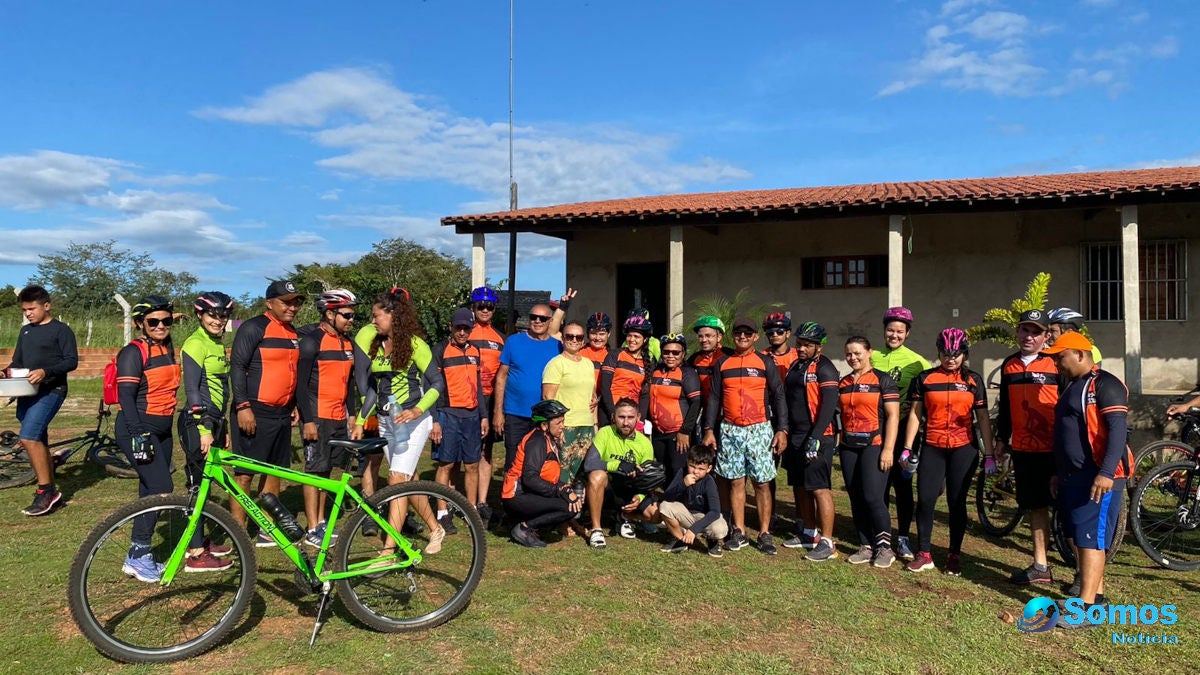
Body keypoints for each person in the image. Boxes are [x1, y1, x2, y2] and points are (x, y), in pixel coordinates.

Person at [1043, 332, 1132, 619]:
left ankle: (1087, 607)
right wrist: (1059, 472)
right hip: (1073, 476)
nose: (1057, 362)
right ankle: (1097, 594)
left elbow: (1118, 431)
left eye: (1061, 356)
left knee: (1092, 539)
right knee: (1079, 536)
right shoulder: (1073, 385)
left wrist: (1106, 473)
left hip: (1099, 478)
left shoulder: (1106, 385)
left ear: (1080, 353)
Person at [353, 287, 445, 554]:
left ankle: (388, 550)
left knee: (396, 479)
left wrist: (418, 411)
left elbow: (437, 383)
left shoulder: (417, 345)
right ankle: (435, 528)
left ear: (393, 315)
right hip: (386, 421)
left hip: (411, 421)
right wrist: (361, 420)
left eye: (376, 315)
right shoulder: (377, 345)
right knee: (407, 480)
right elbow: (373, 389)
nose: (372, 321)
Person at [902, 328, 993, 575]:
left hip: (964, 448)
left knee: (956, 502)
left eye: (956, 353)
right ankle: (924, 553)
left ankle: (954, 554)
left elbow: (983, 418)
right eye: (945, 353)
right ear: (939, 352)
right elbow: (915, 415)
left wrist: (991, 453)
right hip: (933, 446)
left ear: (964, 353)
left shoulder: (973, 380)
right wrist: (907, 448)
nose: (951, 358)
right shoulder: (925, 378)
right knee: (926, 500)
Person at [701, 317, 788, 555]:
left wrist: (782, 429)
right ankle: (738, 531)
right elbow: (714, 398)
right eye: (738, 333)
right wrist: (709, 429)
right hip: (730, 429)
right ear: (732, 336)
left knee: (761, 483)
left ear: (755, 337)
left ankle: (764, 532)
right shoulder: (723, 363)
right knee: (736, 481)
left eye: (747, 333)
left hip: (759, 428)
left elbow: (779, 395)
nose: (742, 337)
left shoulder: (764, 362)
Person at [230, 280, 302, 545]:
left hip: (281, 413)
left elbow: (290, 371)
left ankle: (266, 528)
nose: (292, 307)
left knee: (275, 470)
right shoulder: (253, 327)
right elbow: (237, 367)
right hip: (254, 411)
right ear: (269, 303)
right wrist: (242, 406)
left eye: (295, 302)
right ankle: (238, 529)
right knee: (245, 473)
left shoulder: (292, 332)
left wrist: (293, 404)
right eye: (286, 302)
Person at [115, 296, 181, 582]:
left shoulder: (168, 348)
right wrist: (138, 432)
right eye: (153, 321)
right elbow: (126, 397)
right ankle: (139, 554)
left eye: (166, 320)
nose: (160, 325)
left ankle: (137, 554)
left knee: (149, 486)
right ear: (140, 323)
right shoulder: (133, 352)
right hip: (138, 427)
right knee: (161, 485)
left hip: (163, 429)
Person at [995, 309, 1063, 585]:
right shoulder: (1009, 365)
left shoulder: (1055, 363)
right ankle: (1040, 565)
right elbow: (1005, 409)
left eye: (1036, 332)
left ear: (1046, 336)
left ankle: (1084, 572)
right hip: (1023, 448)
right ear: (1017, 332)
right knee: (1035, 506)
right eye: (1025, 330)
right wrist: (1002, 438)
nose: (1029, 336)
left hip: (1055, 448)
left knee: (1067, 508)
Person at [2, 285, 77, 516]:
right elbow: (17, 362)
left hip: (51, 390)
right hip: (26, 391)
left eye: (32, 308)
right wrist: (6, 372)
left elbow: (71, 361)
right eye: (24, 310)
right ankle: (52, 489)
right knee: (38, 439)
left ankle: (46, 492)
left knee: (28, 435)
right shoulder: (26, 332)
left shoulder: (61, 330)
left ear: (47, 305)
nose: (28, 313)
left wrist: (45, 371)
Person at [177, 291, 237, 571]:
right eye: (213, 314)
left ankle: (202, 541)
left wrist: (221, 427)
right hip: (196, 423)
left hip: (212, 422)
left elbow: (220, 390)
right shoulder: (196, 343)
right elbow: (192, 389)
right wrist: (203, 428)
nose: (218, 320)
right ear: (200, 315)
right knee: (196, 487)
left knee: (205, 486)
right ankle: (196, 553)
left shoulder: (215, 342)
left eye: (223, 315)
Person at [296, 289, 360, 548]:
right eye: (346, 315)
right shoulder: (313, 341)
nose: (351, 320)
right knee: (314, 471)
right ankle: (312, 527)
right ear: (330, 313)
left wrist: (353, 415)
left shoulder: (347, 343)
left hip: (338, 417)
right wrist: (308, 420)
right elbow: (300, 384)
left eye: (353, 315)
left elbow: (351, 383)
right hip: (317, 416)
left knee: (329, 470)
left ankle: (321, 521)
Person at [870, 306, 930, 562]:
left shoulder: (918, 362)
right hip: (877, 428)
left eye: (899, 331)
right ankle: (881, 535)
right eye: (890, 330)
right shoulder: (872, 356)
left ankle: (903, 536)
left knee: (902, 484)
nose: (894, 335)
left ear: (907, 334)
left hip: (906, 431)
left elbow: (926, 397)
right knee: (878, 481)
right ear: (884, 330)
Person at [542, 320, 607, 547]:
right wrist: (555, 427)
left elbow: (592, 398)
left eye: (579, 337)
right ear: (563, 339)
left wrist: (595, 424)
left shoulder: (589, 364)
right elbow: (548, 399)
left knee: (580, 475)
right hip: (565, 426)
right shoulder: (555, 364)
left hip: (586, 426)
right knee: (563, 475)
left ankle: (574, 518)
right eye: (569, 336)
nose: (574, 340)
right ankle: (562, 520)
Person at [837, 336, 901, 568]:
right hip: (848, 447)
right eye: (848, 354)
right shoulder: (843, 383)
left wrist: (888, 449)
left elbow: (893, 416)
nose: (853, 358)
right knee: (855, 497)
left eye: (857, 353)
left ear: (869, 352)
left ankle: (885, 547)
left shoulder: (883, 380)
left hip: (875, 446)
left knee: (873, 497)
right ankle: (865, 545)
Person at [781, 322, 841, 561]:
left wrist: (815, 437)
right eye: (800, 344)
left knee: (819, 488)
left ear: (819, 346)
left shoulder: (825, 368)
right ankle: (808, 533)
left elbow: (828, 405)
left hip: (818, 436)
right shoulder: (796, 364)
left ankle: (827, 542)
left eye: (807, 345)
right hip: (796, 435)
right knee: (800, 486)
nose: (802, 348)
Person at [430, 307, 488, 534]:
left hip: (472, 415)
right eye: (458, 328)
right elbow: (432, 388)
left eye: (466, 328)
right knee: (446, 464)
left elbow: (479, 387)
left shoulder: (475, 351)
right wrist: (435, 420)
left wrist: (484, 415)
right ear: (450, 328)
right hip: (448, 413)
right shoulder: (439, 350)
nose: (462, 332)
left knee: (472, 464)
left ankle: (470, 509)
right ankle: (442, 512)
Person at [501, 399, 581, 547]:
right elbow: (530, 479)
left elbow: (547, 476)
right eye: (558, 423)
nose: (563, 426)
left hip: (526, 493)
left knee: (570, 501)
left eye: (563, 422)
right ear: (544, 425)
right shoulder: (537, 441)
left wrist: (564, 488)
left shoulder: (546, 438)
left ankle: (522, 523)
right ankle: (524, 528)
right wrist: (559, 490)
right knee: (566, 507)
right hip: (517, 496)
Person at [494, 302, 562, 473]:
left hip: (543, 416)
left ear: (550, 321)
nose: (537, 321)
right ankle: (510, 497)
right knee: (513, 460)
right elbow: (501, 377)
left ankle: (532, 498)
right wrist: (498, 412)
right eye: (533, 317)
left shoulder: (557, 346)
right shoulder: (514, 342)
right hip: (515, 413)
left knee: (539, 460)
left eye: (542, 318)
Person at [467, 285, 505, 523]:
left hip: (490, 398)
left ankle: (482, 501)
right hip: (466, 396)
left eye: (489, 307)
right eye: (481, 306)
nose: (485, 310)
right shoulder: (464, 331)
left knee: (485, 450)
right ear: (473, 307)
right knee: (462, 451)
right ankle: (460, 502)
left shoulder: (500, 337)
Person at [595, 398, 657, 539]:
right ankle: (596, 529)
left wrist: (639, 497)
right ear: (613, 417)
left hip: (631, 490)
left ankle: (625, 516)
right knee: (596, 476)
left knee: (655, 515)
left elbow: (648, 478)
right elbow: (589, 464)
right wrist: (616, 464)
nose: (626, 422)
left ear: (638, 418)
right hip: (607, 488)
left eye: (630, 417)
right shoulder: (604, 432)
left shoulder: (645, 443)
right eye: (621, 417)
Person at [656, 445, 728, 558]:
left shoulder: (709, 482)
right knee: (665, 506)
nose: (695, 472)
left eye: (701, 469)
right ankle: (680, 539)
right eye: (692, 466)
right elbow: (667, 496)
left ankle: (712, 540)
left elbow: (714, 511)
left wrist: (693, 530)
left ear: (709, 469)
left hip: (704, 516)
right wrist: (683, 484)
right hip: (686, 513)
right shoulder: (682, 473)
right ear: (687, 462)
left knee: (720, 529)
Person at [647, 332, 701, 478]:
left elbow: (696, 403)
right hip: (658, 433)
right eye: (666, 352)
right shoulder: (655, 371)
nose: (670, 355)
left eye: (675, 352)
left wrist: (685, 431)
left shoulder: (687, 373)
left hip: (678, 434)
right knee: (663, 471)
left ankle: (683, 500)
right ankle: (668, 500)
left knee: (678, 471)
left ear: (683, 354)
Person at [599, 315, 652, 425]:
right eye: (629, 335)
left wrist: (640, 420)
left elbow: (644, 395)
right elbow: (605, 387)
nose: (632, 340)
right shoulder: (615, 355)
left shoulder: (647, 363)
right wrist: (613, 414)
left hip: (631, 417)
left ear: (645, 339)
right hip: (610, 414)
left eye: (636, 336)